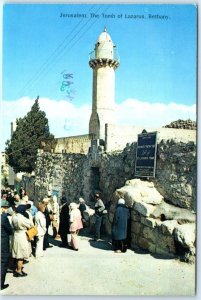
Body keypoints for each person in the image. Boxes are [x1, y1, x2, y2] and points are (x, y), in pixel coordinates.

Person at [11, 204, 34, 277]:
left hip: (16, 234)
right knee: (21, 254)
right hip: (22, 235)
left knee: (17, 251)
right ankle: (19, 271)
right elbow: (31, 225)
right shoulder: (23, 219)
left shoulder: (14, 217)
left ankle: (16, 268)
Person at [1, 199, 13, 290]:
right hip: (3, 243)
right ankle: (1, 284)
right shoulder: (4, 217)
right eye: (5, 208)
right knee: (3, 262)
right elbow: (9, 230)